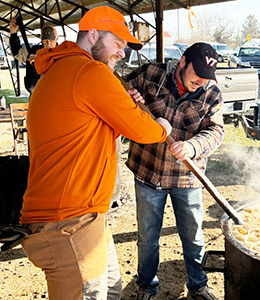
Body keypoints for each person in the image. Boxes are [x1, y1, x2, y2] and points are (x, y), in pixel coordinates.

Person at [20, 6, 172, 300]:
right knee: (91, 294)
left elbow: (86, 130)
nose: (122, 53)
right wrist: (162, 127)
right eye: (117, 43)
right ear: (92, 34)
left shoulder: (63, 68)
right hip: (69, 221)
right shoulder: (88, 71)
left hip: (85, 215)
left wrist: (122, 105)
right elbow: (143, 131)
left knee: (111, 290)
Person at [125, 42, 224, 300]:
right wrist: (129, 98)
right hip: (148, 171)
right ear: (182, 62)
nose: (201, 80)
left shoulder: (211, 93)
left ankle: (198, 286)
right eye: (197, 73)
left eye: (207, 76)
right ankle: (146, 286)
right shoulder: (151, 74)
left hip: (187, 178)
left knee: (193, 238)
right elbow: (118, 88)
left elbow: (216, 131)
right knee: (148, 239)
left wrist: (193, 146)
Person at [9, 18, 58, 93]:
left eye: (51, 41)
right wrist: (13, 33)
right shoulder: (33, 51)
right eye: (45, 41)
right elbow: (17, 52)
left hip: (53, 95)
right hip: (35, 95)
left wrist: (39, 60)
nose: (48, 43)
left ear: (57, 39)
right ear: (41, 40)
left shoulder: (62, 54)